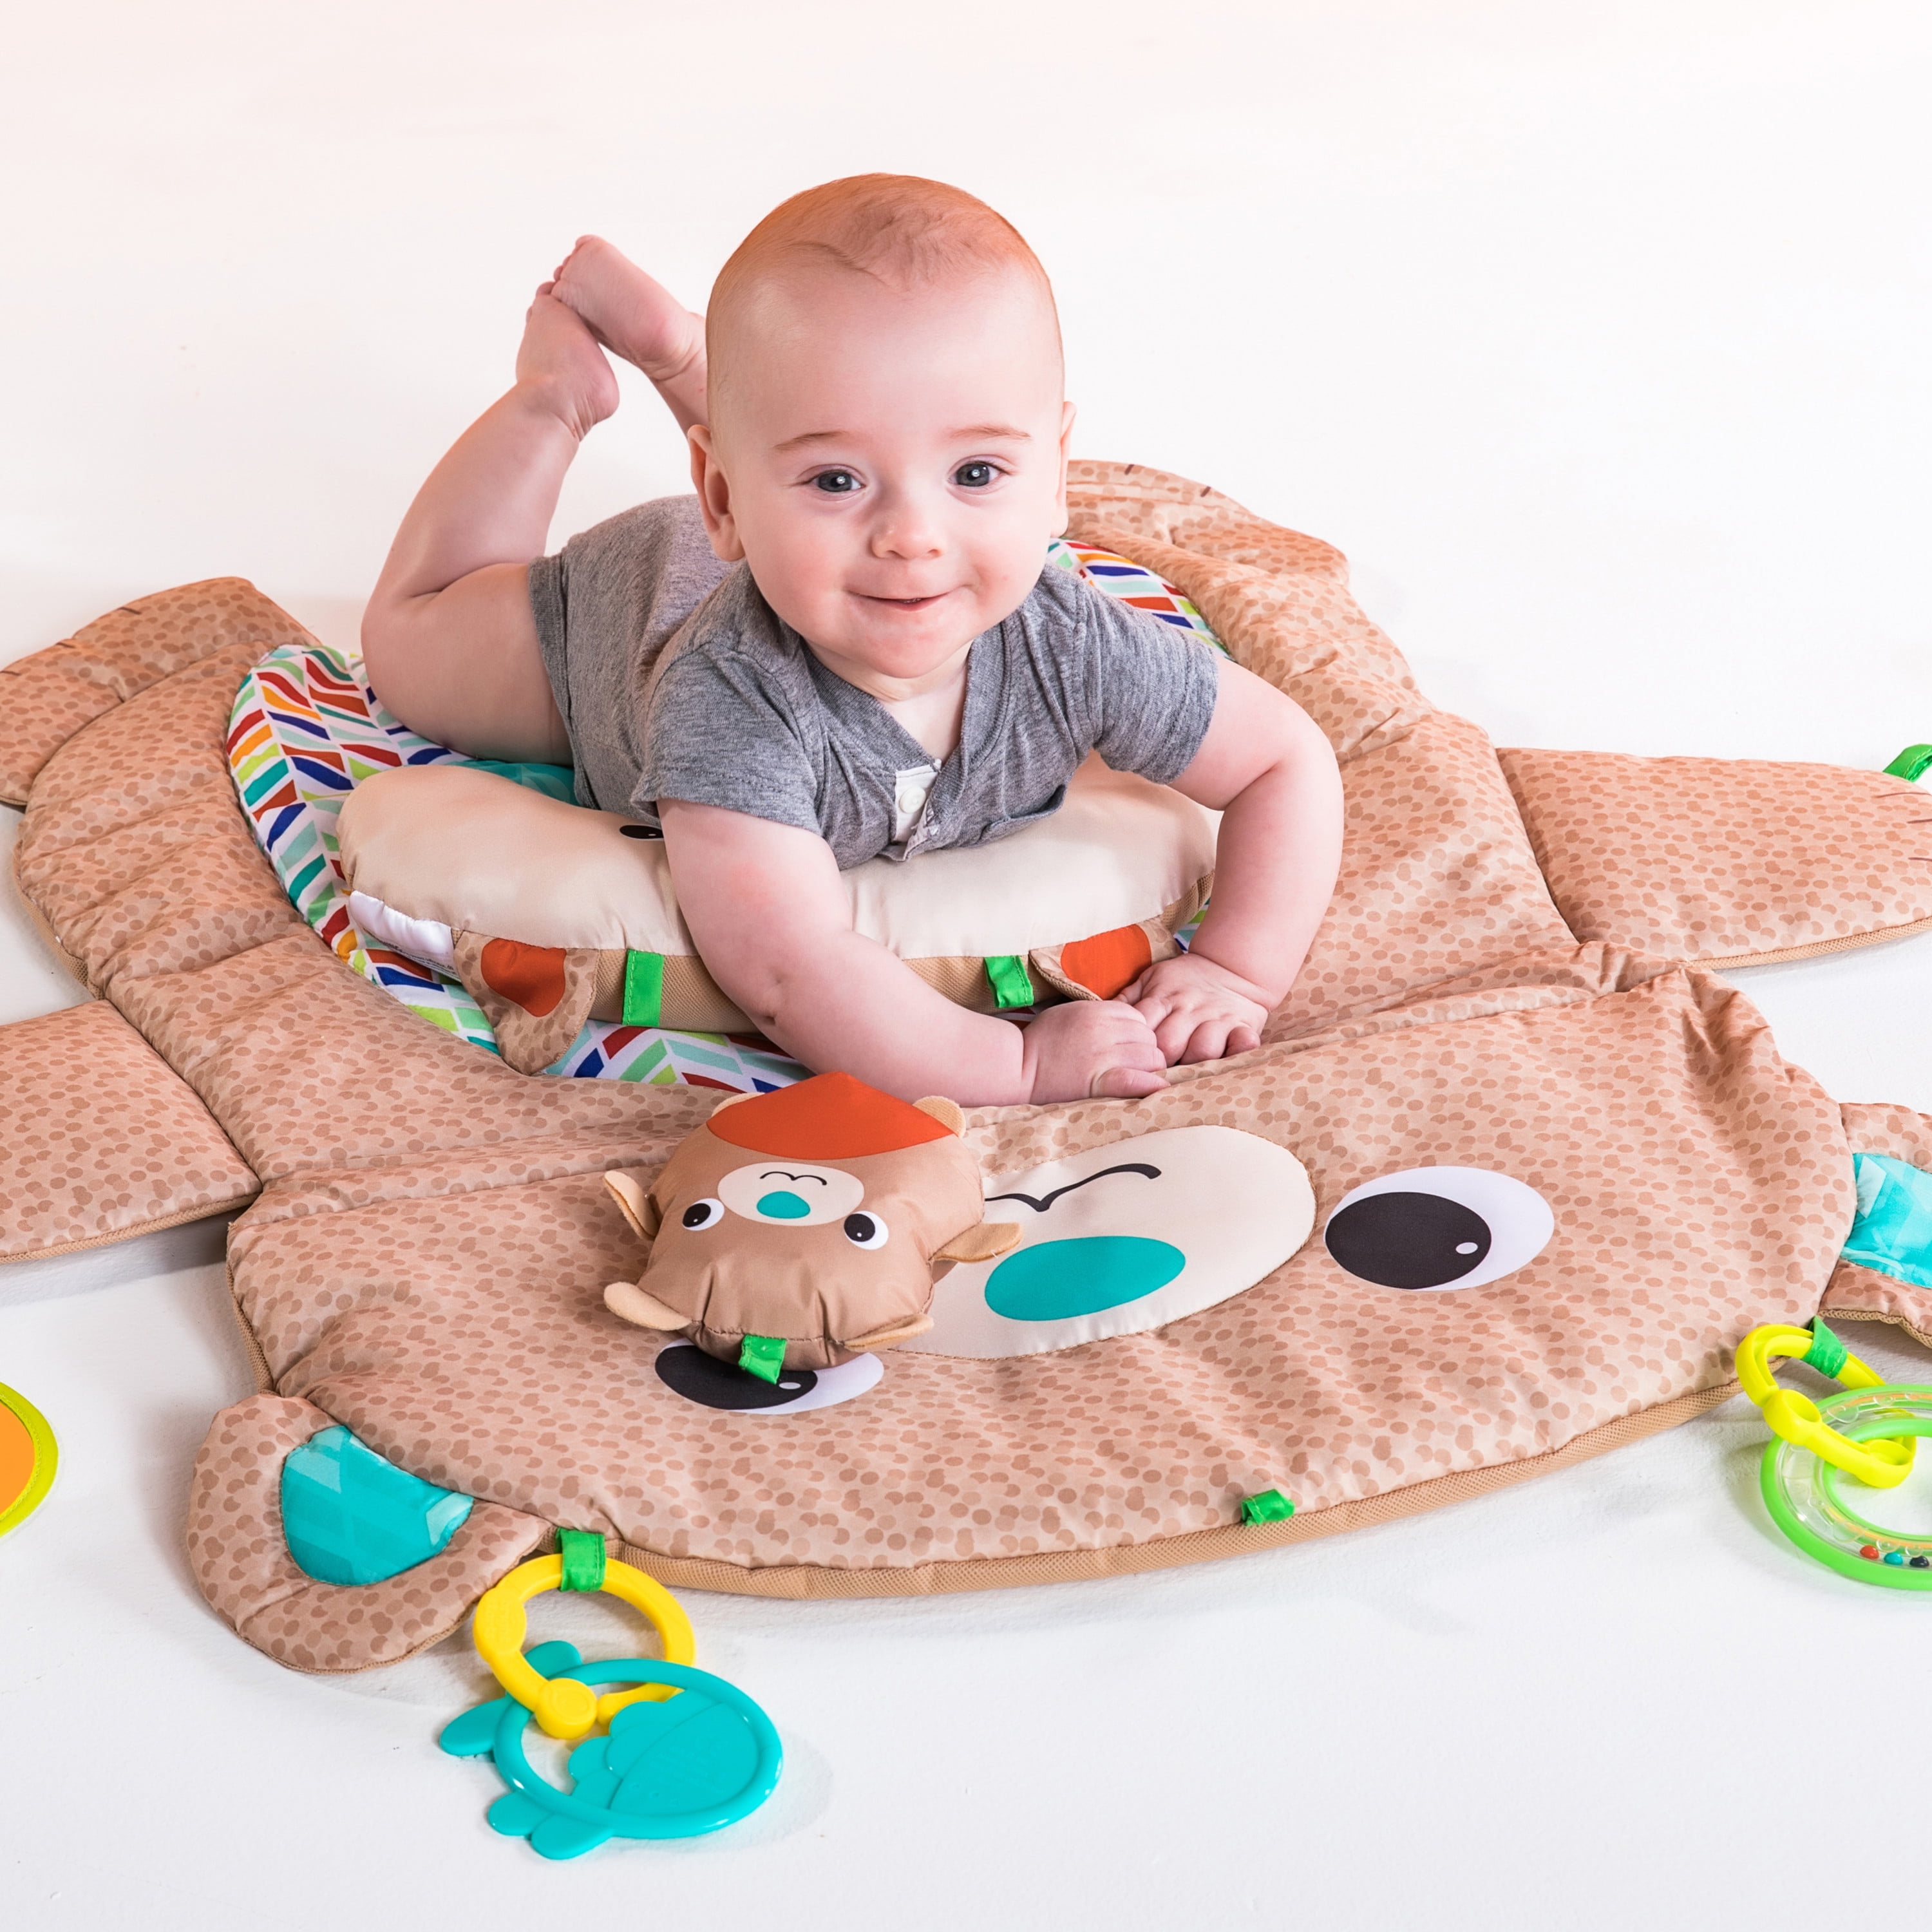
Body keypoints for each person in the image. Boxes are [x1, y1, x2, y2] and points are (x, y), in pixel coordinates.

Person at [361, 175, 1342, 1106]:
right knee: (412, 641)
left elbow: (1282, 762)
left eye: (976, 473)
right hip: (616, 624)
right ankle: (554, 399)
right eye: (837, 481)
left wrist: (1235, 971)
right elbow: (790, 969)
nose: (913, 537)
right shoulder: (731, 701)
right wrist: (1013, 1065)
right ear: (720, 499)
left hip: (769, 531)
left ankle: (688, 356)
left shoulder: (1074, 642)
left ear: (1054, 476)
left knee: (812, 418)